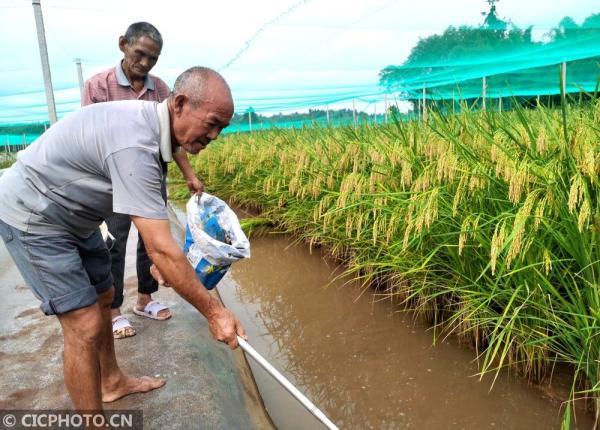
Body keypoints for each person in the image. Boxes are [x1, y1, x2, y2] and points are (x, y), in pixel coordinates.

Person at [0, 67, 246, 415]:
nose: (216, 134)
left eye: (223, 127)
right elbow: (161, 248)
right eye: (212, 123)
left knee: (104, 295)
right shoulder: (137, 142)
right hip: (34, 216)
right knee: (82, 323)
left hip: (77, 215)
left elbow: (154, 230)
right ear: (179, 104)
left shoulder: (155, 132)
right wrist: (214, 311)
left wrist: (166, 262)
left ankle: (112, 382)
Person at [83, 22, 203, 339]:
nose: (146, 63)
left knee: (152, 243)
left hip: (151, 176)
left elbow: (174, 139)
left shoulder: (161, 90)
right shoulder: (99, 86)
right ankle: (113, 310)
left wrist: (189, 174)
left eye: (153, 58)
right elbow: (89, 135)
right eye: (140, 54)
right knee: (114, 243)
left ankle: (145, 299)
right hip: (114, 181)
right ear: (123, 44)